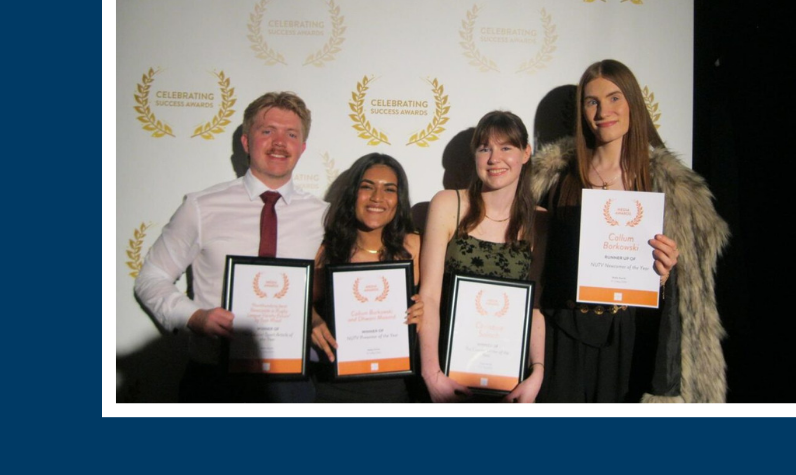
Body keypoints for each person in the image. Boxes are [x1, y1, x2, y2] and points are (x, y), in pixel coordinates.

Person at [531, 59, 728, 403]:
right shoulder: (556, 179)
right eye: (591, 102)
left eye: (614, 98)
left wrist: (664, 276)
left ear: (633, 103)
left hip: (630, 340)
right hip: (563, 337)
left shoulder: (668, 186)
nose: (603, 111)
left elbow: (689, 297)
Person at [134, 91, 328, 403]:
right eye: (268, 131)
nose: (280, 143)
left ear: (302, 147)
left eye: (291, 134)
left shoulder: (324, 216)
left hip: (292, 381)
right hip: (213, 380)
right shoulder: (201, 206)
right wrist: (195, 317)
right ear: (246, 142)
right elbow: (151, 277)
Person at [418, 111, 547, 403]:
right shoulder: (448, 204)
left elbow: (535, 308)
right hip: (445, 371)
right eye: (484, 149)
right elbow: (429, 296)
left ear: (526, 153)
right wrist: (431, 373)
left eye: (506, 147)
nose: (494, 159)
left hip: (509, 379)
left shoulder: (540, 221)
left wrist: (537, 372)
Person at [309, 153, 424, 403]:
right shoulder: (328, 251)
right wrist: (313, 320)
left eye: (389, 189)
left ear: (399, 199)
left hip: (397, 386)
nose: (377, 198)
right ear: (353, 194)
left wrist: (425, 311)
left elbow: (435, 304)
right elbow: (301, 305)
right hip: (336, 388)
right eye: (367, 187)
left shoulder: (415, 247)